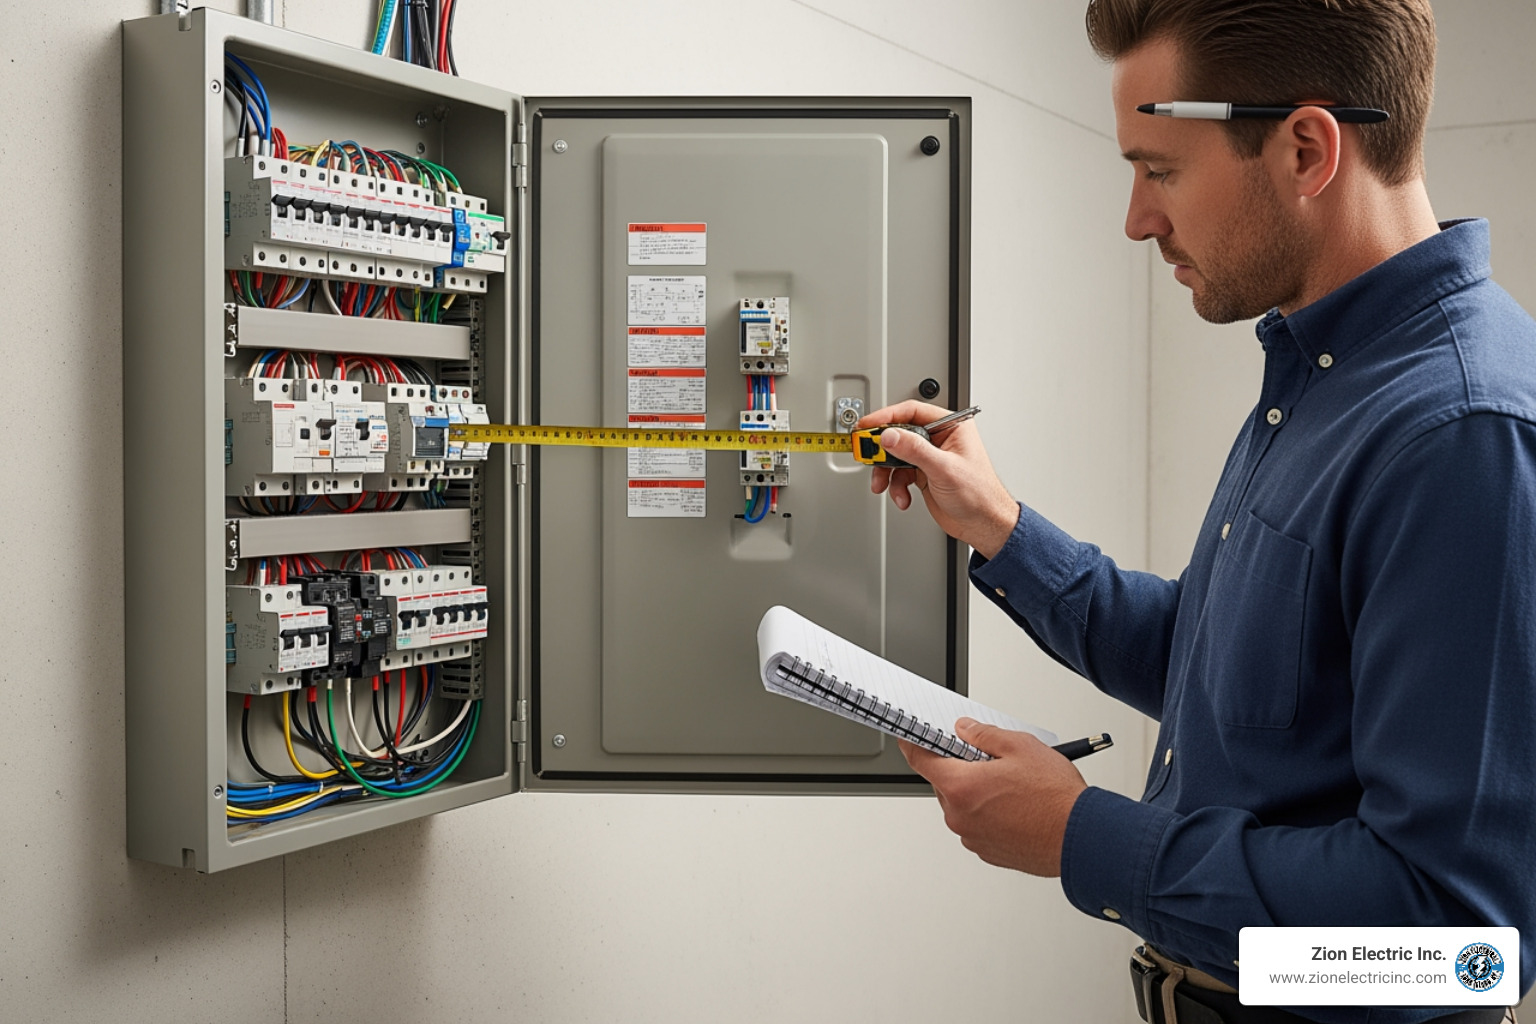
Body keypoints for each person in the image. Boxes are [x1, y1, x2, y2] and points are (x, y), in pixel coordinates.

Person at [858, 2, 1536, 1022]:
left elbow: (1453, 949)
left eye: (1160, 169)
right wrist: (1000, 527)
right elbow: (1231, 675)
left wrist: (1086, 839)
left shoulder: (1461, 432)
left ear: (1307, 148)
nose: (1137, 217)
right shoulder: (1317, 370)